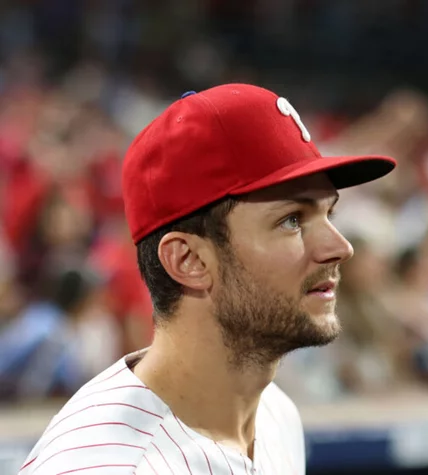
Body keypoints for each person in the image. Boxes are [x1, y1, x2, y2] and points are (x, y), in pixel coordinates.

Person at [18, 84, 396, 475]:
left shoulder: (275, 415)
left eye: (328, 214)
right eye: (292, 220)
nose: (340, 247)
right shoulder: (107, 466)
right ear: (188, 260)